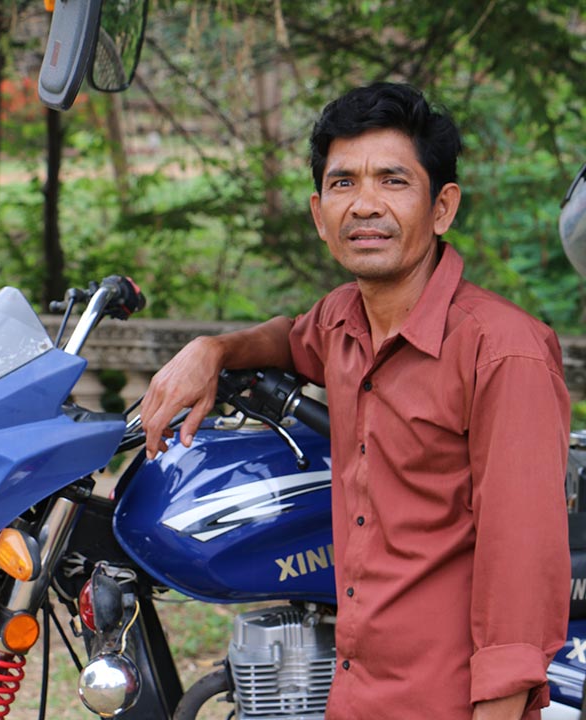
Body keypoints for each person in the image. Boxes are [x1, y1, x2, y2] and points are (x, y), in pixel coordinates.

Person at [139, 82, 571, 720]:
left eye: (393, 181)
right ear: (319, 214)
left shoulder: (504, 353)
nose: (365, 205)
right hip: (354, 693)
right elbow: (291, 338)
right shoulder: (344, 322)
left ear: (442, 207)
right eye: (344, 184)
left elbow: (522, 574)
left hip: (447, 702)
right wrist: (215, 349)